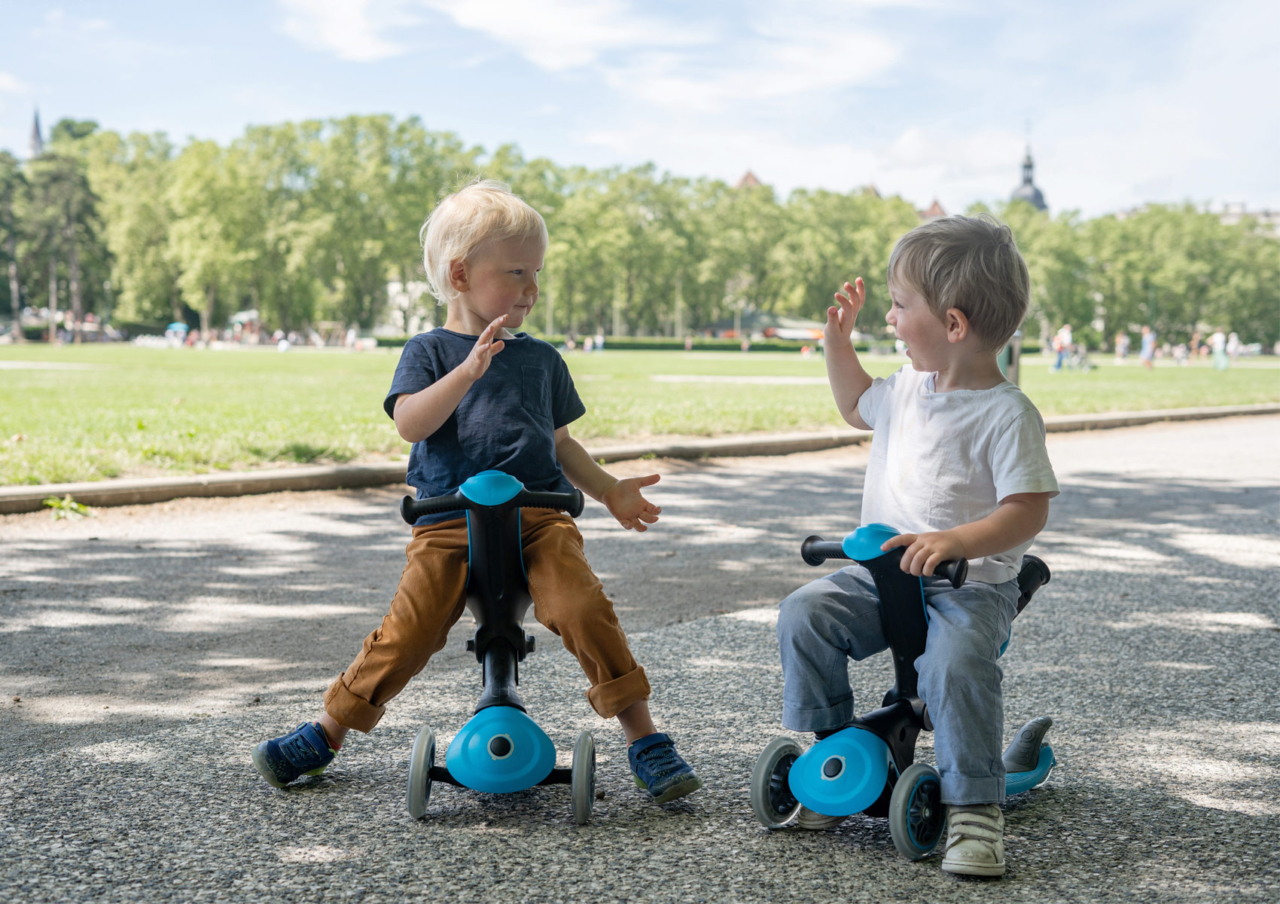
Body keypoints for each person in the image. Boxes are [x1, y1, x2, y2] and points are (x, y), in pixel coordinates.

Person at [252, 179, 702, 805]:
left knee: (582, 608)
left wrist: (609, 492)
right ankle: (328, 731)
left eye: (537, 272)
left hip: (540, 519)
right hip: (447, 521)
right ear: (461, 274)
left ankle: (644, 737)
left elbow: (562, 444)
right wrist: (467, 372)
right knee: (407, 632)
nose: (532, 288)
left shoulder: (542, 360)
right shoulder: (430, 351)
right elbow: (411, 422)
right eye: (516, 271)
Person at [775, 215, 1059, 878]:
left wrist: (956, 539)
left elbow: (1027, 508)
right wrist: (835, 343)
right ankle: (835, 757)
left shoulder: (1006, 414)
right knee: (804, 614)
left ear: (953, 325)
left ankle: (973, 809)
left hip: (968, 585)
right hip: (879, 578)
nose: (893, 321)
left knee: (953, 667)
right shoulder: (904, 392)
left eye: (902, 308)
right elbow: (853, 404)